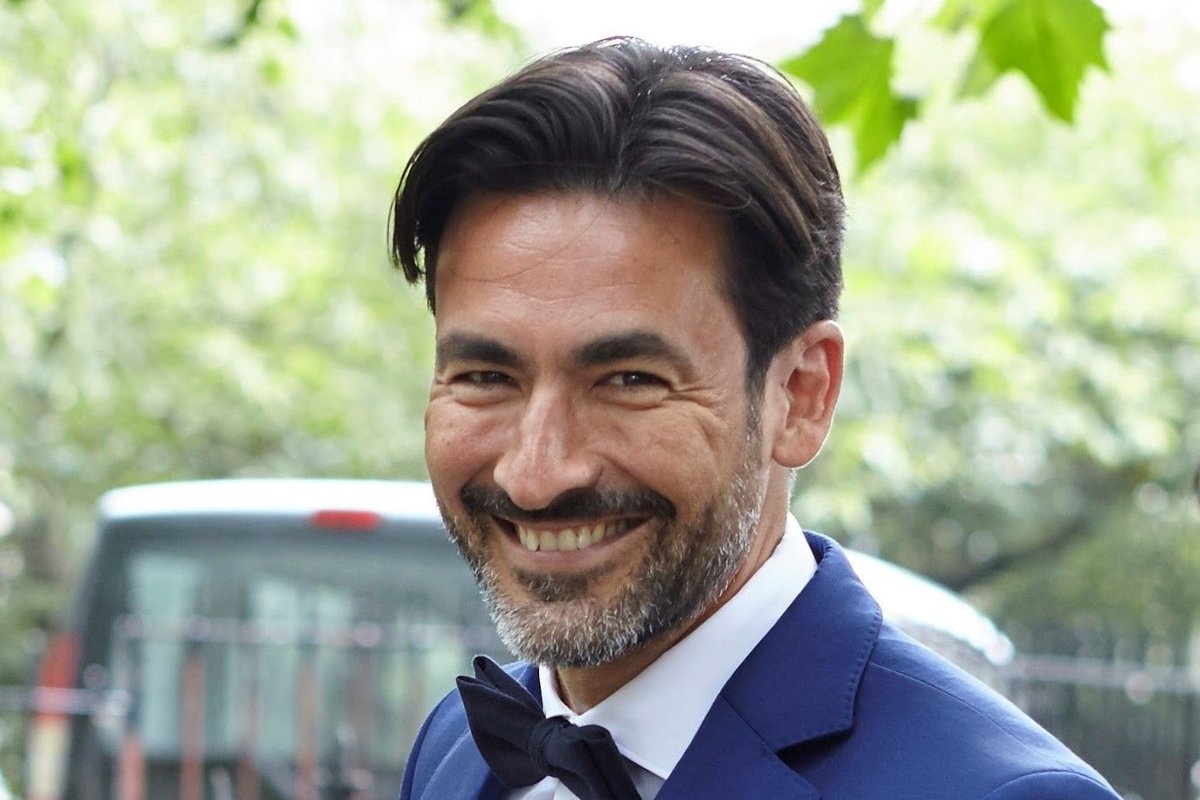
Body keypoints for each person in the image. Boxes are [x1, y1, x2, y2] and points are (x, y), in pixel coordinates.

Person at [389, 36, 1119, 800]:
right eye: (485, 378)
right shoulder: (453, 748)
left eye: (630, 381)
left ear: (801, 395)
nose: (535, 476)